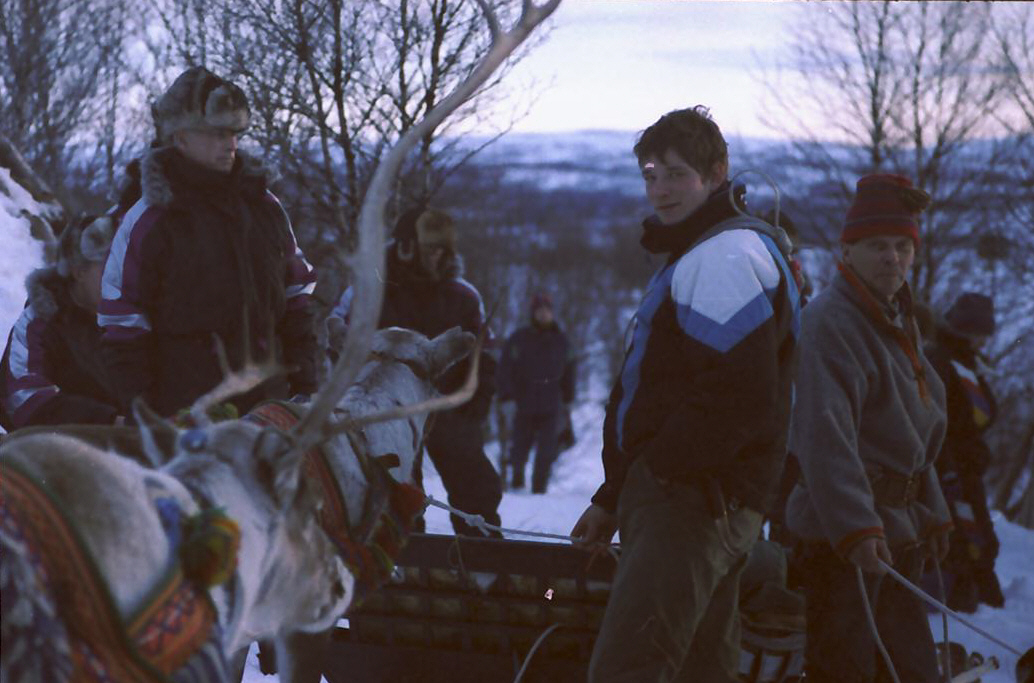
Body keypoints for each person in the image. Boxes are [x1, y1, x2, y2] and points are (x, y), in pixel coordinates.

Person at [569, 106, 801, 682]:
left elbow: (738, 397)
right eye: (650, 175)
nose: (660, 190)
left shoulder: (721, 256)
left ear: (717, 172)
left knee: (631, 668)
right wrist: (614, 495)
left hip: (690, 505)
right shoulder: (714, 249)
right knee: (700, 667)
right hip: (705, 500)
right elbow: (667, 395)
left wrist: (658, 476)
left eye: (677, 174)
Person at [785, 173, 951, 683]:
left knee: (909, 671)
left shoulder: (897, 319)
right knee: (848, 671)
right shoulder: (830, 322)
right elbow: (825, 437)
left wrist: (936, 512)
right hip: (843, 544)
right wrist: (856, 528)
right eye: (878, 246)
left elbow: (915, 438)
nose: (893, 258)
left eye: (904, 246)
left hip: (896, 535)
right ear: (848, 250)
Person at [99, 66, 319, 419]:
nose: (230, 143)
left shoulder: (265, 206)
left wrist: (306, 383)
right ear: (180, 137)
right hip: (188, 418)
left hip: (270, 409)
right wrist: (147, 414)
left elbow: (297, 297)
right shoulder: (149, 218)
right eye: (216, 133)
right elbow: (123, 324)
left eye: (234, 132)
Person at [327, 207, 502, 537]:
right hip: (385, 410)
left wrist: (475, 406)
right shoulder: (370, 288)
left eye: (442, 250)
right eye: (429, 249)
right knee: (396, 490)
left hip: (445, 405)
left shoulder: (462, 295)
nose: (437, 257)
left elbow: (485, 357)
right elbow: (340, 346)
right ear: (407, 247)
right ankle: (403, 558)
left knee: (473, 482)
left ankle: (486, 561)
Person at [923, 292, 1004, 612]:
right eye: (979, 334)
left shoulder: (968, 363)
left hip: (967, 469)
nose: (983, 341)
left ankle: (980, 597)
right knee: (967, 540)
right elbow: (937, 420)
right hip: (950, 470)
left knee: (979, 539)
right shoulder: (941, 360)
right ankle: (963, 599)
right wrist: (948, 468)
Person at [1, 215, 121, 430]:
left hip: (132, 449)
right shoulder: (40, 321)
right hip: (55, 453)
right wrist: (108, 421)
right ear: (78, 271)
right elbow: (23, 398)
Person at [497, 291, 576, 493]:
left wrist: (568, 398)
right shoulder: (518, 339)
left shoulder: (561, 341)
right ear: (533, 313)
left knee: (546, 450)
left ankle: (539, 489)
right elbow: (505, 368)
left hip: (551, 401)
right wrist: (506, 396)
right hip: (523, 400)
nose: (543, 314)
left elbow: (570, 369)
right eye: (539, 310)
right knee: (519, 448)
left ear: (552, 313)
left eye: (547, 310)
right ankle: (516, 484)